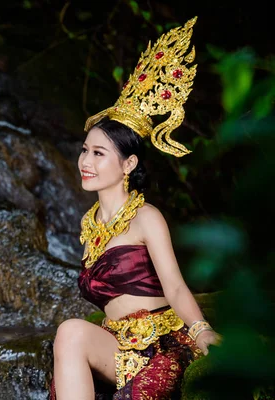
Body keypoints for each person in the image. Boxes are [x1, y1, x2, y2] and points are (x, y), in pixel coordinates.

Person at [50, 17, 221, 400]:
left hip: (157, 346)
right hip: (114, 344)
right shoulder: (88, 222)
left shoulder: (147, 217)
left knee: (72, 330)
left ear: (128, 165)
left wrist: (202, 330)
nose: (85, 162)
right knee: (71, 332)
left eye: (98, 153)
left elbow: (174, 285)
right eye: (84, 150)